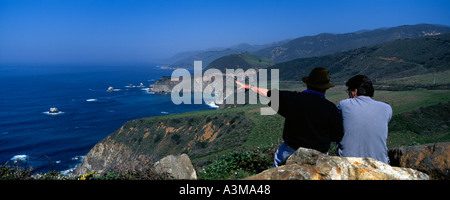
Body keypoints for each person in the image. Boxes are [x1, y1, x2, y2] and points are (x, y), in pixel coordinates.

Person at [236, 67, 343, 167]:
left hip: (292, 150)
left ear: (308, 84)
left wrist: (250, 87)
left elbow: (269, 94)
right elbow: (337, 136)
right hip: (320, 153)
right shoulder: (331, 109)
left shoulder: (293, 98)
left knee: (278, 161)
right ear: (325, 88)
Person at [337, 75, 392, 163]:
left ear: (355, 91)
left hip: (349, 163)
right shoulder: (387, 108)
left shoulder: (343, 105)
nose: (348, 94)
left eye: (349, 91)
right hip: (380, 163)